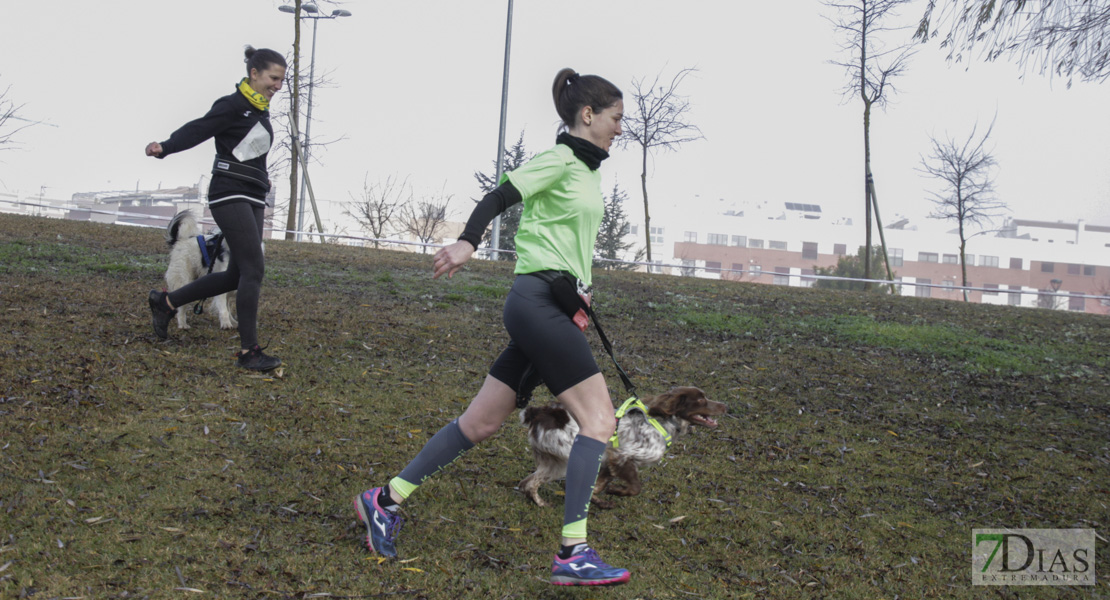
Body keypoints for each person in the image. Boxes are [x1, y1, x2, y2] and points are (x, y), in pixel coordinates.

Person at [354, 68, 630, 587]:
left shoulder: (589, 171)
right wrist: (467, 242)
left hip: (549, 304)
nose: (620, 128)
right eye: (616, 118)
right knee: (599, 422)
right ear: (587, 115)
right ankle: (573, 551)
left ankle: (383, 499)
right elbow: (499, 196)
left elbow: (561, 243)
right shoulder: (560, 159)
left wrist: (579, 292)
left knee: (479, 424)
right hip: (535, 305)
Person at [144, 46, 285, 372]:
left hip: (252, 195)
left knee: (237, 274)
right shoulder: (234, 105)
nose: (278, 85)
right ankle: (249, 352)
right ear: (254, 74)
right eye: (273, 78)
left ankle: (166, 302)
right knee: (254, 270)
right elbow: (199, 128)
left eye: (281, 80)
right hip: (229, 193)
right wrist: (166, 147)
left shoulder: (259, 110)